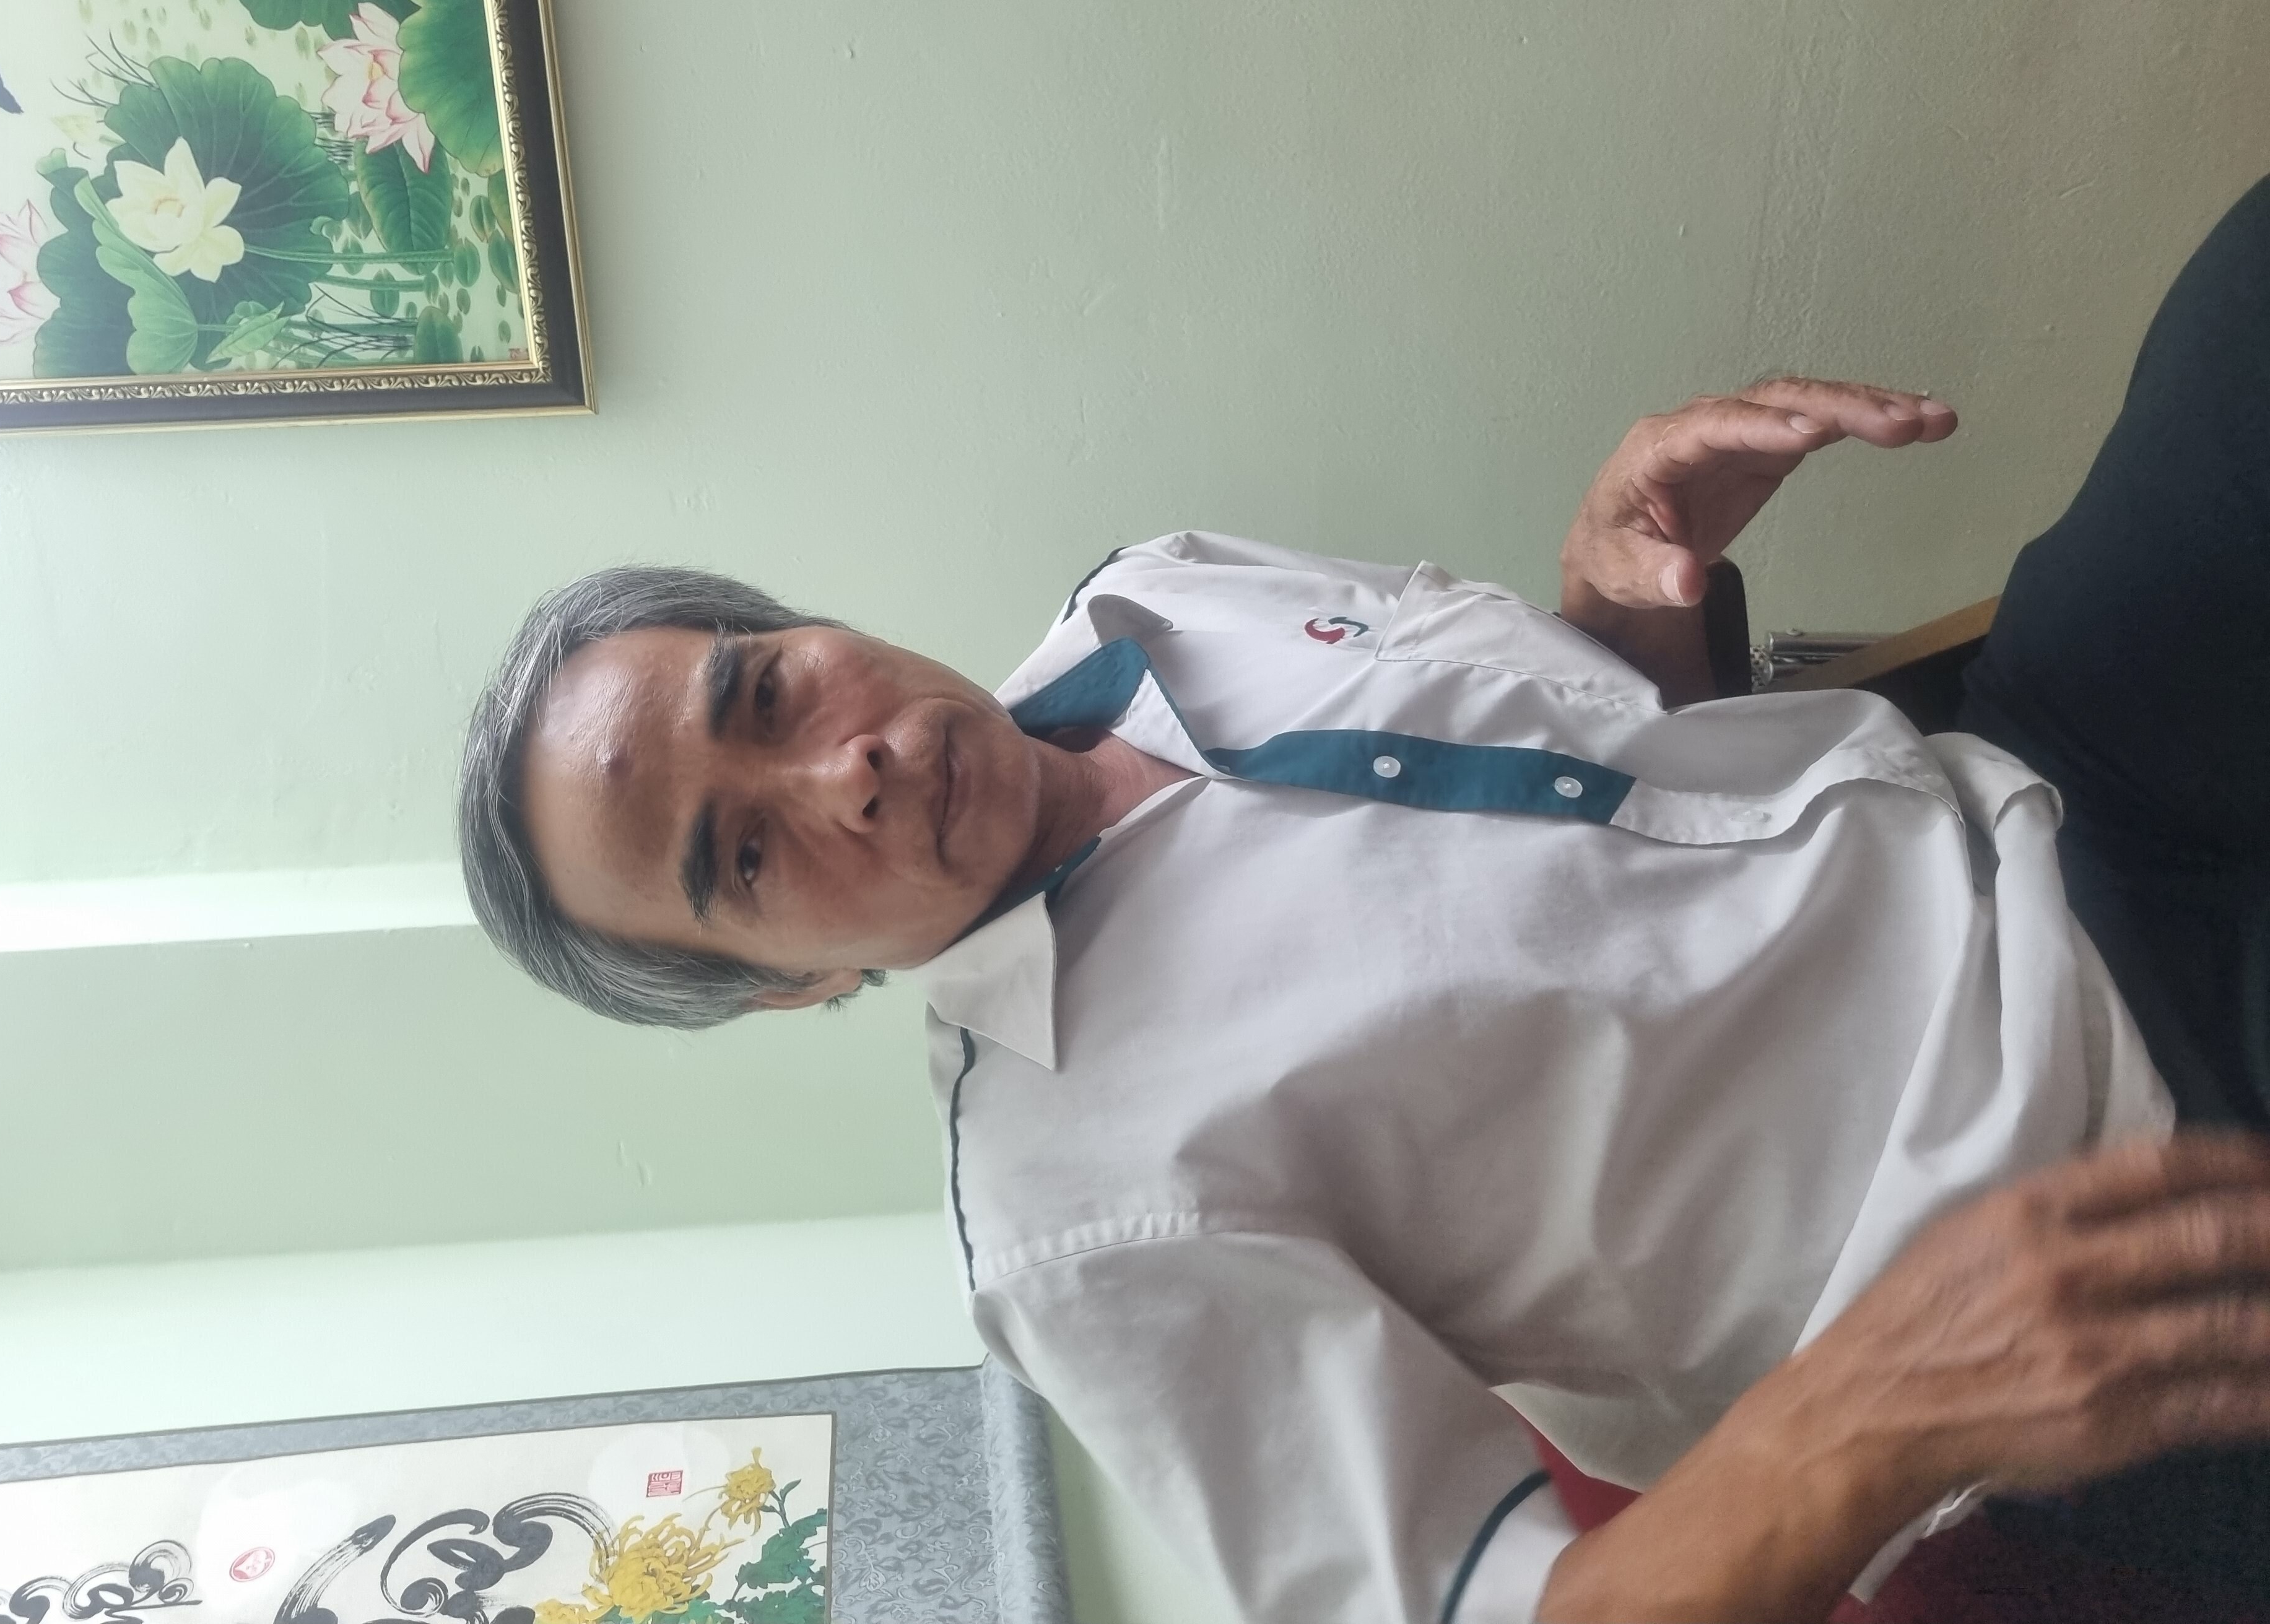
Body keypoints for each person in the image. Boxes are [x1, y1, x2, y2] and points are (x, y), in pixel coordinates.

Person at [457, 176, 2270, 1623]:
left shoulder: (1154, 590)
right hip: (2093, 1174)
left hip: (2032, 786)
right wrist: (1868, 1416)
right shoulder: (1074, 1222)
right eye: (742, 858)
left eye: (764, 691)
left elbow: (1591, 833)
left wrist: (1617, 603)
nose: (836, 771)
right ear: (779, 988)